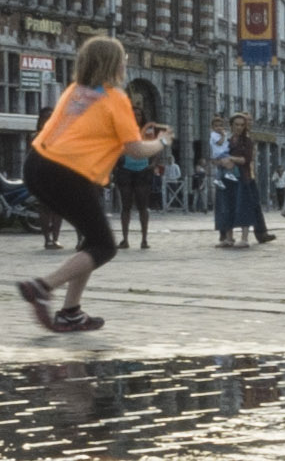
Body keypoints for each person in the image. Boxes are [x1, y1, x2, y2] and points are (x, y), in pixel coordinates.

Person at [15, 36, 173, 332]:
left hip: (36, 164)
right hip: (67, 171)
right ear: (114, 63)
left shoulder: (76, 91)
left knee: (91, 238)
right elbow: (135, 149)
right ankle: (43, 287)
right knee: (104, 246)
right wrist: (161, 142)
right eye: (123, 58)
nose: (126, 62)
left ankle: (71, 311)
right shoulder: (115, 98)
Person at [218, 113, 275, 247]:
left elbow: (246, 159)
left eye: (242, 125)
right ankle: (228, 237)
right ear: (231, 126)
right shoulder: (228, 140)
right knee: (228, 207)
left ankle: (245, 238)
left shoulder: (247, 141)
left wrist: (231, 159)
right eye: (236, 125)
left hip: (243, 177)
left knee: (244, 207)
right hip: (227, 177)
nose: (239, 127)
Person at [114, 108, 156, 250]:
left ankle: (144, 239)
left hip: (142, 169)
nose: (136, 117)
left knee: (143, 206)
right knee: (126, 206)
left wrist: (153, 163)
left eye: (139, 114)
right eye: (133, 114)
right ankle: (125, 239)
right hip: (126, 169)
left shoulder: (148, 130)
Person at [34, 107, 63, 250]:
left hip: (58, 175)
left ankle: (55, 238)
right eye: (46, 117)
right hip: (42, 174)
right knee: (44, 208)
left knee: (58, 209)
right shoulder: (36, 136)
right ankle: (47, 239)